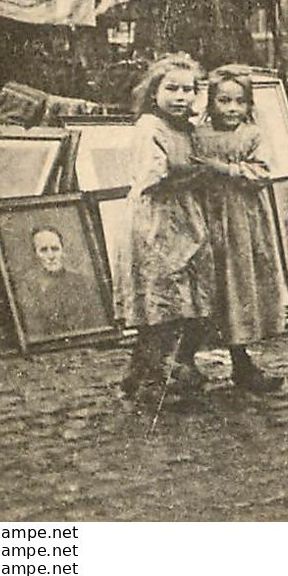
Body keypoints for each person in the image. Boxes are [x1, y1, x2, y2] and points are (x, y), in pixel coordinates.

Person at [120, 53, 215, 407]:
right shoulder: (150, 127)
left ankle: (156, 369)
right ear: (153, 91)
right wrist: (200, 172)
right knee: (158, 303)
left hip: (185, 218)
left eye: (188, 90)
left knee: (188, 300)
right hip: (157, 220)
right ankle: (150, 379)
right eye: (171, 88)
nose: (181, 97)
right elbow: (153, 178)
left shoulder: (187, 129)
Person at [189, 66, 284, 392]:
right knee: (205, 286)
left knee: (238, 286)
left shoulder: (252, 135)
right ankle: (185, 363)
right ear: (210, 102)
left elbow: (263, 173)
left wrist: (225, 169)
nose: (231, 109)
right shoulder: (197, 136)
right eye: (223, 100)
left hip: (242, 221)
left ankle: (242, 361)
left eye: (239, 102)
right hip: (205, 218)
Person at [18, 227, 107, 337]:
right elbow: (35, 331)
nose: (51, 256)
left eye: (55, 249)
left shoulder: (82, 282)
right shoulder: (28, 287)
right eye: (44, 250)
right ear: (35, 254)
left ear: (62, 250)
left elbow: (98, 324)